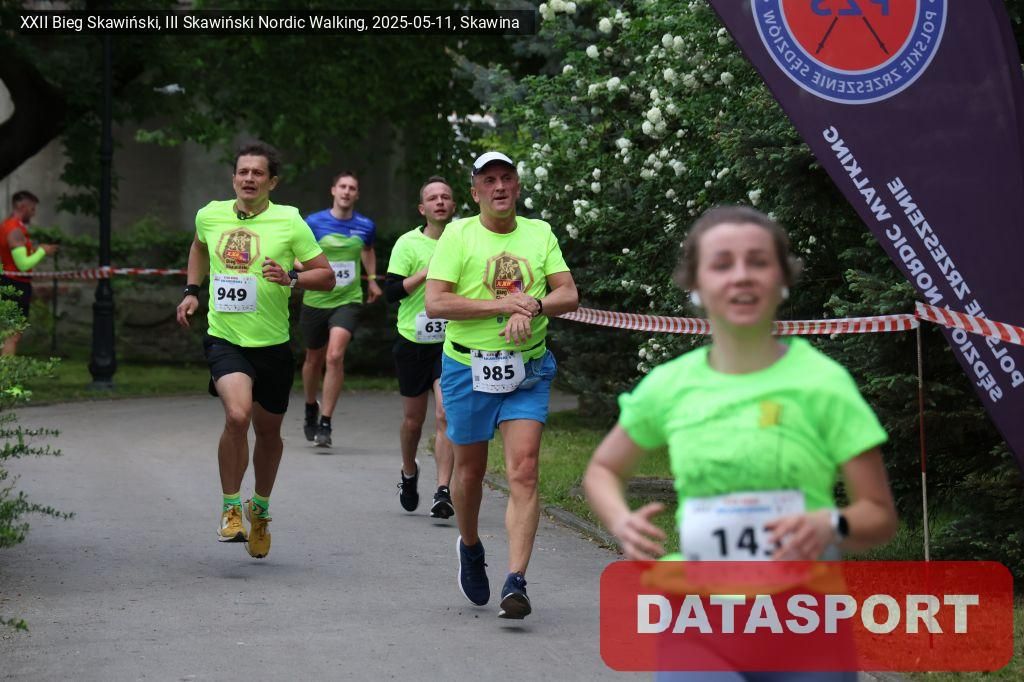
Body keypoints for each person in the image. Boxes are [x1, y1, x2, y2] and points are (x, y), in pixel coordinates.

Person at [582, 205, 897, 680]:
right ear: (696, 284)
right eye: (722, 264)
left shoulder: (824, 384)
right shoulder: (671, 385)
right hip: (699, 624)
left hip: (806, 627)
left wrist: (832, 523)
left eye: (758, 261)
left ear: (782, 278)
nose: (741, 276)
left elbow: (879, 516)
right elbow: (603, 470)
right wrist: (621, 521)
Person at [425, 151, 579, 619]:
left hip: (527, 369)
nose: (499, 186)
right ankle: (470, 545)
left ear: (517, 186)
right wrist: (503, 307)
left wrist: (532, 305)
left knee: (524, 470)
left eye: (506, 178)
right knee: (470, 473)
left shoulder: (539, 233)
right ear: (475, 192)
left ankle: (516, 581)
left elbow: (568, 293)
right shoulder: (458, 235)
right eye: (489, 180)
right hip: (467, 367)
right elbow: (436, 303)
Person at [176, 141, 334, 559]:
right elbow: (198, 247)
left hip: (273, 343)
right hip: (225, 337)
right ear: (233, 178)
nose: (249, 178)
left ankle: (259, 508)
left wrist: (291, 277)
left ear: (272, 182)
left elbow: (326, 276)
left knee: (268, 433)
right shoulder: (210, 214)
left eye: (258, 173)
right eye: (243, 172)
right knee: (237, 414)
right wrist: (192, 290)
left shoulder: (290, 221)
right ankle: (231, 508)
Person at [384, 176, 456, 519]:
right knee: (414, 421)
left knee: (445, 413)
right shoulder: (407, 244)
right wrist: (428, 272)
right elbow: (391, 292)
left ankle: (443, 491)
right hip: (413, 342)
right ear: (422, 208)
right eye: (433, 198)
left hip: (451, 342)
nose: (440, 201)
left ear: (453, 205)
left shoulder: (463, 239)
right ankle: (409, 471)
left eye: (445, 196)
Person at [298, 171, 383, 447]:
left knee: (334, 356)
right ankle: (310, 406)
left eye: (352, 188)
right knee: (313, 359)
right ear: (333, 190)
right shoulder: (313, 222)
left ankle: (325, 422)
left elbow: (367, 250)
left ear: (357, 195)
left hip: (348, 299)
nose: (347, 191)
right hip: (316, 299)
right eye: (342, 186)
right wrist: (301, 269)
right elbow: (299, 255)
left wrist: (372, 279)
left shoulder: (365, 225)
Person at [1, 191, 58, 355]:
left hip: (11, 282)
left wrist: (34, 250)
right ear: (22, 206)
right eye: (32, 209)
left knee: (9, 334)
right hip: (15, 284)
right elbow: (23, 265)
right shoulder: (15, 229)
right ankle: (7, 372)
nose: (34, 213)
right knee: (12, 335)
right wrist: (42, 251)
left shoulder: (8, 226)